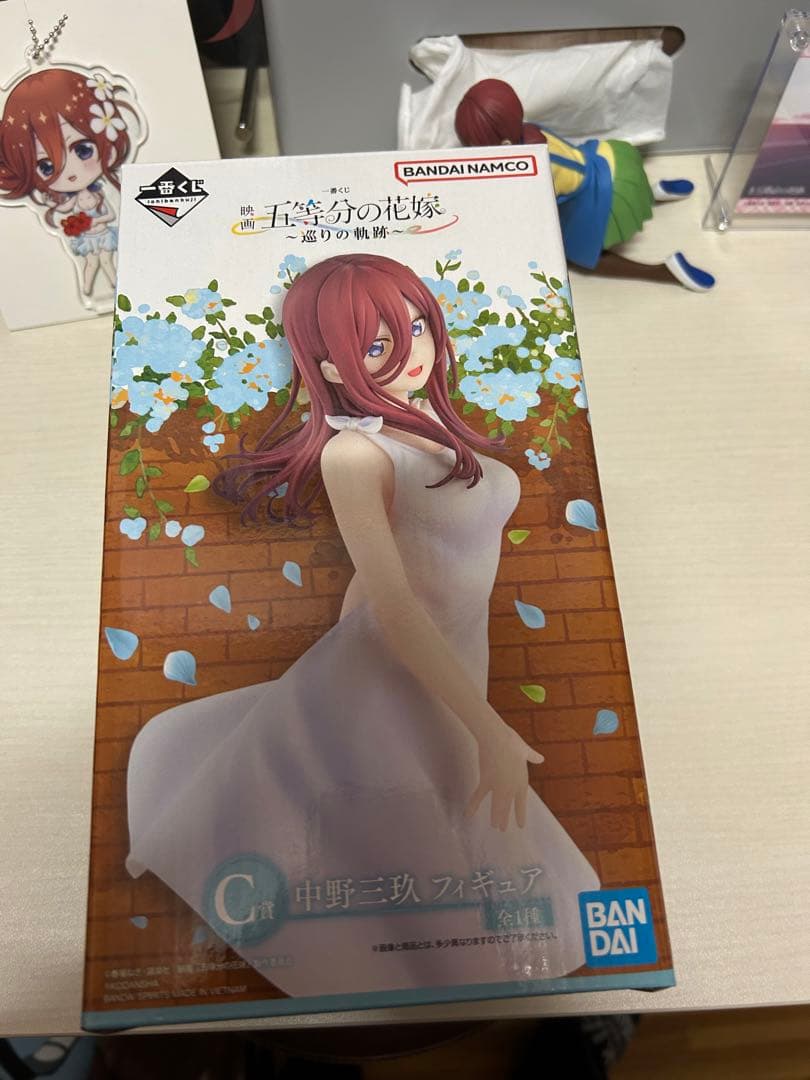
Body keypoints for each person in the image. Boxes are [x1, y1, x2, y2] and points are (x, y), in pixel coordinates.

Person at [125, 254, 599, 997]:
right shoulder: (354, 452)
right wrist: (488, 727)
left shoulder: (431, 426)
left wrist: (480, 719)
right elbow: (394, 604)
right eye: (378, 345)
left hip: (451, 660)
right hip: (380, 675)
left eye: (417, 327)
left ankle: (486, 986)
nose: (413, 352)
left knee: (487, 853)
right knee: (432, 872)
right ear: (329, 366)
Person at [455, 78, 714, 292]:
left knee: (579, 255)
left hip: (602, 196)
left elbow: (535, 213)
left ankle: (664, 271)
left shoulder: (530, 169)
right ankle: (654, 191)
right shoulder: (528, 130)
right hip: (607, 158)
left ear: (503, 144)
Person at [0, 67, 135, 296]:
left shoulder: (100, 194)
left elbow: (111, 214)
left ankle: (116, 288)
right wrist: (68, 218)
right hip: (86, 238)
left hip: (103, 233)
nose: (71, 174)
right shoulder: (69, 200)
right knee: (91, 263)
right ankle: (88, 289)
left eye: (83, 150)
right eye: (47, 166)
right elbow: (63, 210)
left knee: (108, 261)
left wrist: (95, 220)